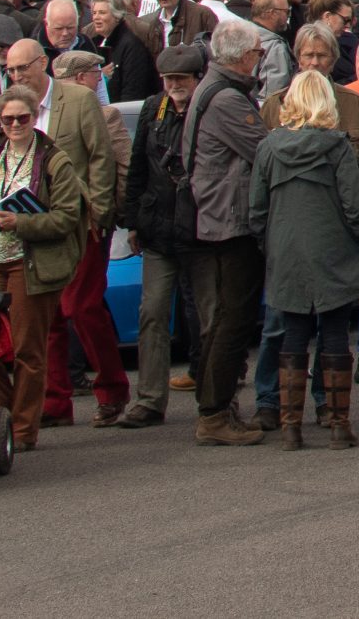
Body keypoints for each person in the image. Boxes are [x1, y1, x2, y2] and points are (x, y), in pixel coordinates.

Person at [0, 32, 126, 427]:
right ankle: (55, 402)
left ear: (43, 63)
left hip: (80, 222)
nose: (17, 74)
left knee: (82, 308)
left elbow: (101, 159)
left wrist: (100, 214)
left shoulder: (79, 99)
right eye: (10, 70)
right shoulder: (15, 109)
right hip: (35, 224)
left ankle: (112, 390)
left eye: (23, 66)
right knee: (48, 316)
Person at [250, 68, 359, 449]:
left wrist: (270, 245)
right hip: (332, 247)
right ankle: (338, 424)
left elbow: (256, 210)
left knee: (292, 334)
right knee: (335, 333)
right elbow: (355, 206)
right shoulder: (336, 146)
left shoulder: (268, 147)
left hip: (286, 248)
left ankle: (291, 427)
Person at [0, 89, 90, 450]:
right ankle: (2, 416)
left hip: (29, 265)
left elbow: (67, 217)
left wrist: (20, 222)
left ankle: (21, 431)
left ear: (35, 117)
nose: (15, 125)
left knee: (26, 351)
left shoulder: (53, 160)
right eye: (8, 120)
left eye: (23, 118)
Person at [185, 20, 269, 445]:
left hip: (220, 215)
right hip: (229, 220)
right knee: (232, 318)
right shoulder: (227, 100)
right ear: (241, 57)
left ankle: (216, 408)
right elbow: (265, 149)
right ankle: (214, 412)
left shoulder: (217, 89)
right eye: (258, 53)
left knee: (225, 317)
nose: (261, 59)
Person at [112, 42, 204, 429]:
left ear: (196, 78)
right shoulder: (153, 109)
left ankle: (215, 395)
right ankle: (149, 400)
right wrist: (132, 221)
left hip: (202, 231)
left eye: (180, 78)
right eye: (168, 79)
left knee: (205, 315)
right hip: (157, 230)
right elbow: (136, 169)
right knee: (151, 313)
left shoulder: (211, 107)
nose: (174, 85)